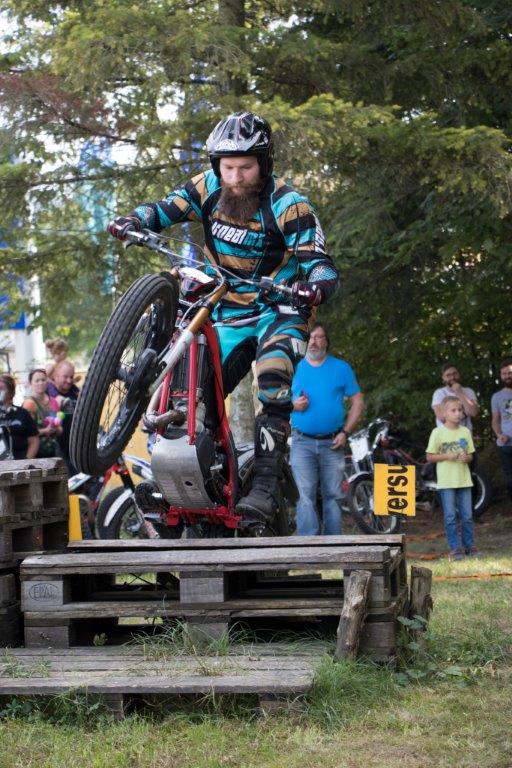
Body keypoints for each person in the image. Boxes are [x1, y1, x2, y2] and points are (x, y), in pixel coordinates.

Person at [107, 111, 338, 523]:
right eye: (227, 167)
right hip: (226, 306)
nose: (235, 178)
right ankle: (191, 476)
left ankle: (265, 486)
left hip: (279, 308)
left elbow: (320, 263)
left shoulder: (290, 205)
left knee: (273, 375)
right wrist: (133, 220)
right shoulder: (206, 187)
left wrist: (316, 286)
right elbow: (163, 209)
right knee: (194, 388)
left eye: (245, 167)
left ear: (263, 164)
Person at [289, 322, 364, 535]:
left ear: (326, 342)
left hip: (333, 441)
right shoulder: (293, 367)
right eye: (310, 337)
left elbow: (358, 402)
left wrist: (345, 432)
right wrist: (293, 405)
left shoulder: (341, 368)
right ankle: (308, 545)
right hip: (301, 441)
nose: (313, 341)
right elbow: (273, 398)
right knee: (304, 494)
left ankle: (333, 544)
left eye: (318, 337)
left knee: (333, 495)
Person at [426, 395, 479, 560]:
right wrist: (447, 456)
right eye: (453, 410)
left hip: (464, 480)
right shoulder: (437, 432)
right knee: (450, 517)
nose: (458, 413)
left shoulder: (465, 432)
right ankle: (455, 549)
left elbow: (471, 455)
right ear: (443, 413)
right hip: (446, 482)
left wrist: (466, 458)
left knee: (467, 516)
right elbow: (429, 457)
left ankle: (469, 546)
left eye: (460, 410)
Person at [46, 360, 80, 474]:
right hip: (56, 450)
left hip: (75, 447)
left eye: (71, 377)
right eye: (65, 377)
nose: (69, 380)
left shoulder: (74, 391)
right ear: (55, 376)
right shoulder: (48, 391)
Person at [22, 369, 63, 458]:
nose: (40, 383)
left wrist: (56, 429)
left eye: (43, 380)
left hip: (54, 451)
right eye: (37, 380)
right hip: (35, 453)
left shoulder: (53, 401)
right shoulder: (29, 404)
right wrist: (45, 431)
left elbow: (60, 429)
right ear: (30, 383)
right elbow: (25, 433)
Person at [0, 374, 39, 459]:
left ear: (11, 392)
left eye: (1, 389)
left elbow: (34, 440)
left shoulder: (22, 413)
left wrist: (26, 461)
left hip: (20, 460)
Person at [432, 363, 479, 430]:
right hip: (445, 434)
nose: (452, 377)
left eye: (454, 373)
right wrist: (464, 412)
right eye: (448, 375)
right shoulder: (439, 393)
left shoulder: (469, 391)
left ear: (459, 374)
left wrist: (460, 393)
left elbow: (473, 413)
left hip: (465, 434)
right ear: (443, 378)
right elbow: (441, 417)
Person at [491, 357, 512, 503]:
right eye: (504, 373)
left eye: (510, 372)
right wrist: (499, 434)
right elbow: (495, 420)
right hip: (506, 444)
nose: (507, 376)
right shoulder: (497, 397)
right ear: (500, 375)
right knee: (511, 478)